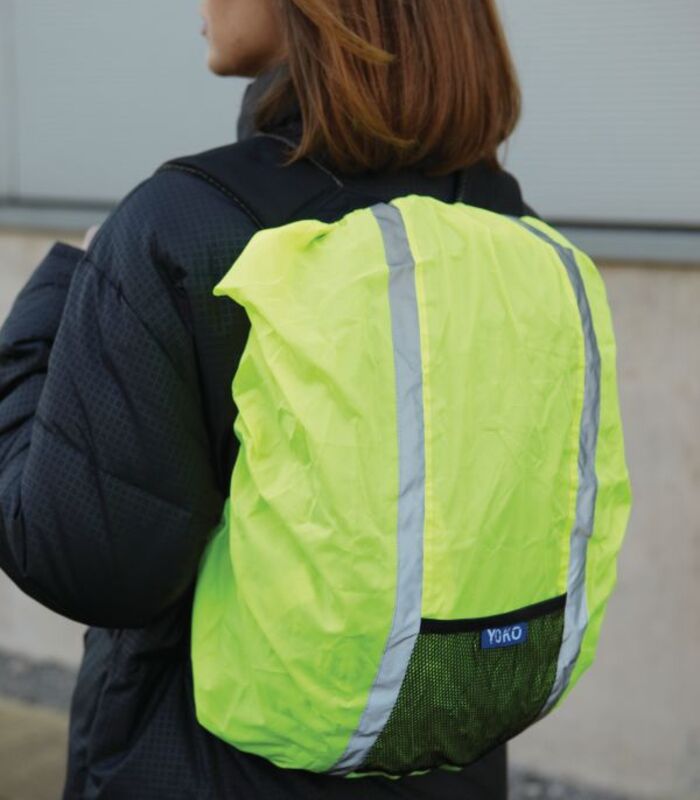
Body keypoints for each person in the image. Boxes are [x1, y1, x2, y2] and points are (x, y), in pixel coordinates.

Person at [0, 1, 536, 797]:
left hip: (203, 768)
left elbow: (87, 562)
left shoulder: (189, 226)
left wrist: (53, 305)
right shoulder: (515, 233)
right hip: (445, 756)